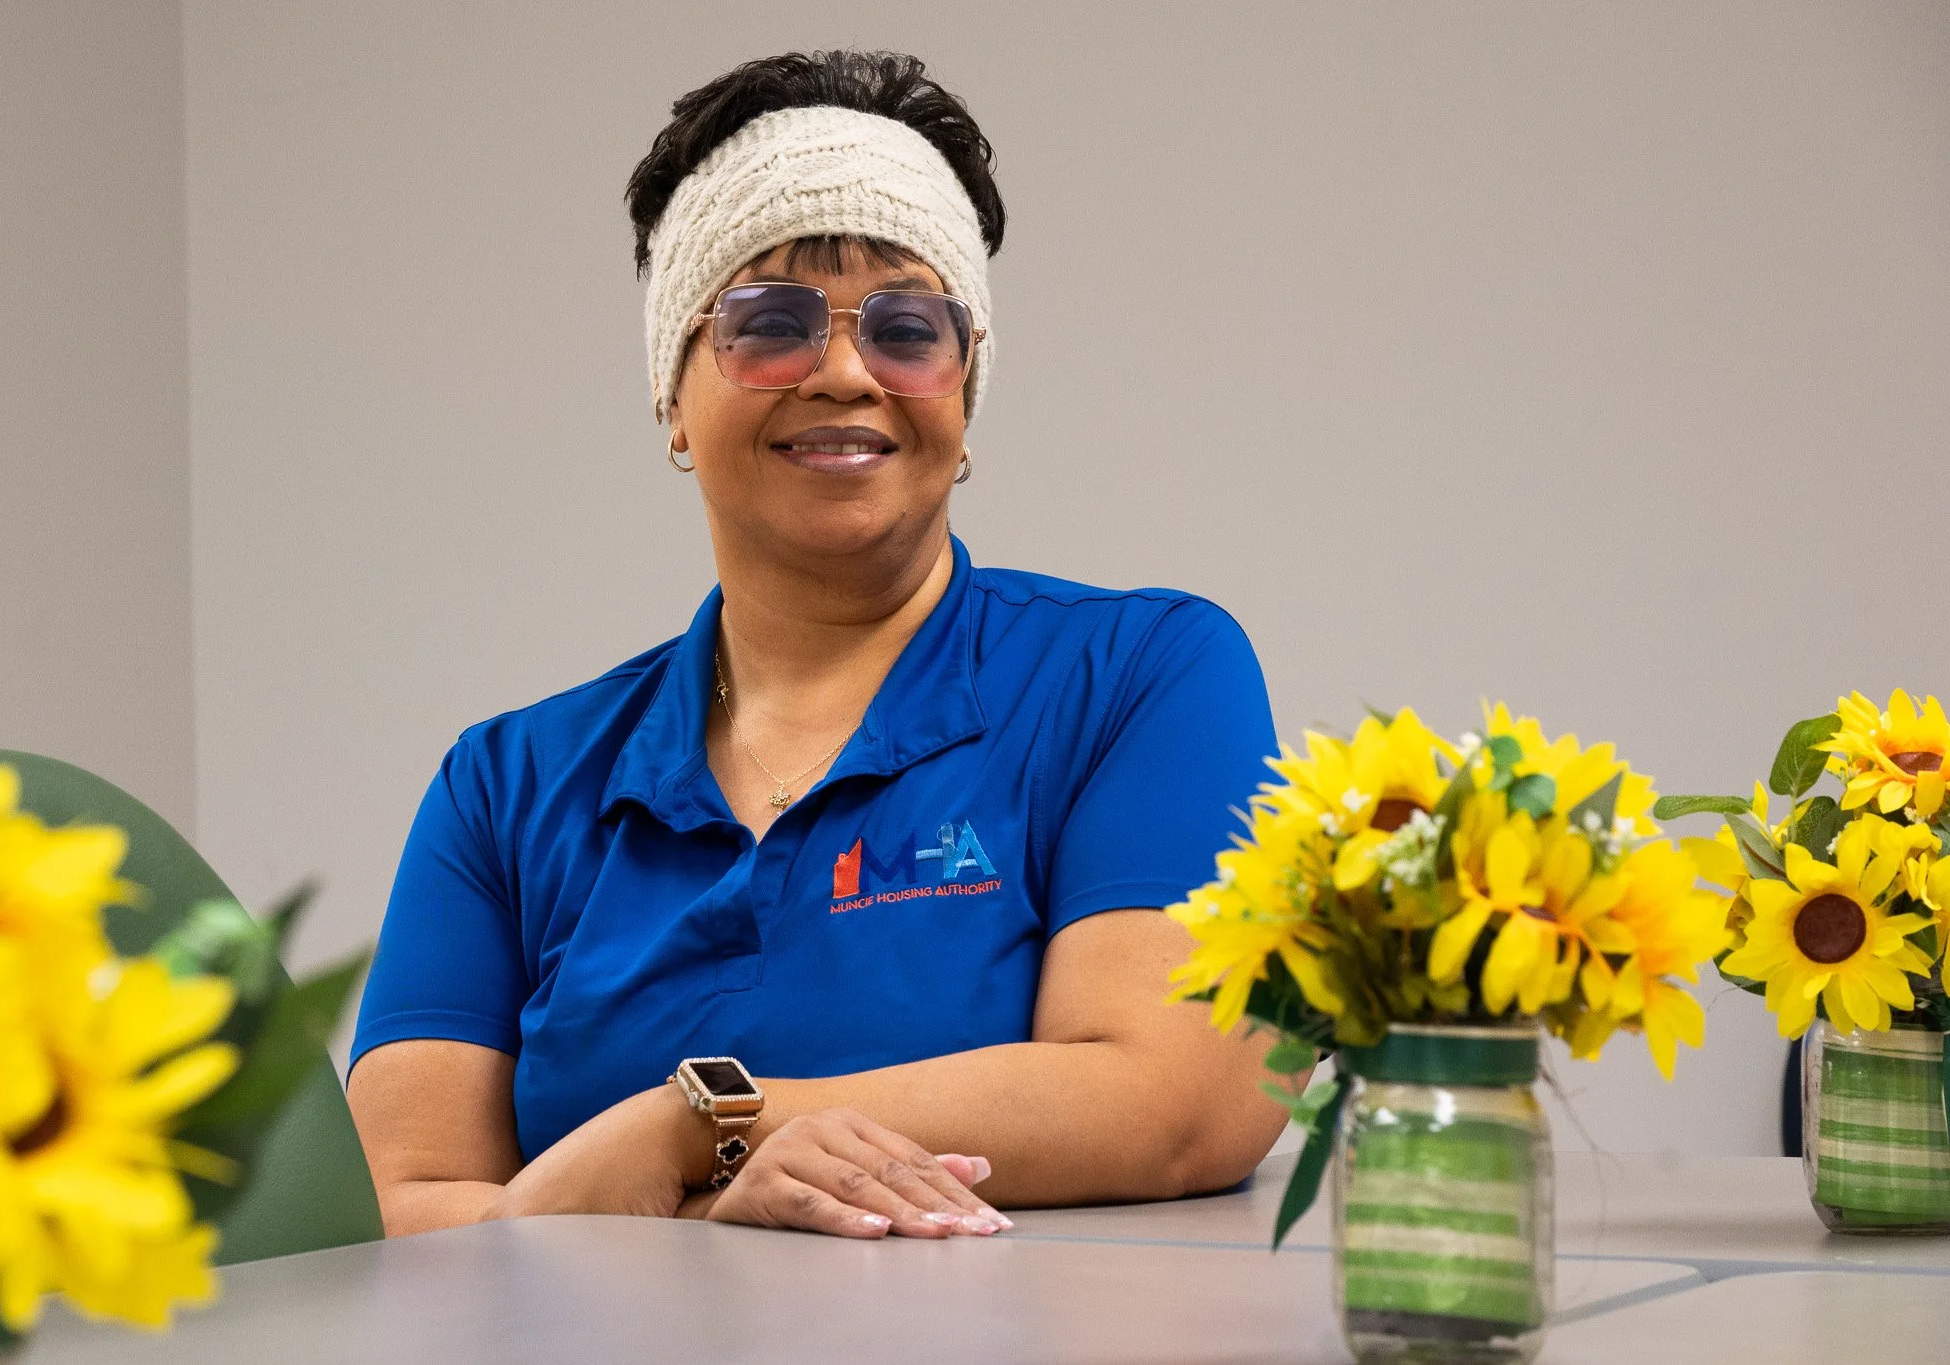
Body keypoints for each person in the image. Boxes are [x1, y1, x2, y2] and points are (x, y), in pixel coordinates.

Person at [347, 49, 1289, 1242]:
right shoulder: (506, 786)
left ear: (963, 392)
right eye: (769, 325)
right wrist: (716, 1210)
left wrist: (698, 1124)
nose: (845, 371)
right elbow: (389, 1211)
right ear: (672, 395)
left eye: (907, 328)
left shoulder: (1137, 680)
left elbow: (1180, 1099)